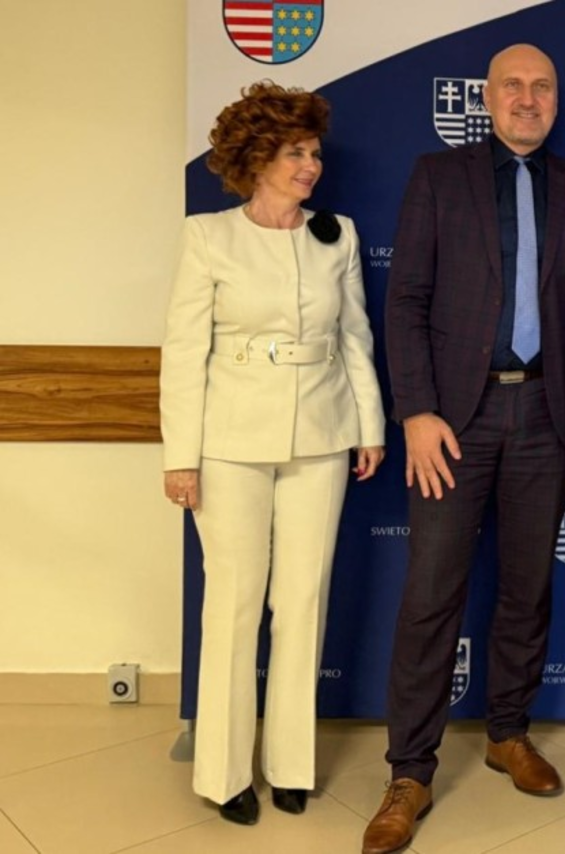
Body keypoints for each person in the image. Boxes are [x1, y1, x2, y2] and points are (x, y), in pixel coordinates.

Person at [363, 44, 565, 854]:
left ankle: (508, 733)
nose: (528, 98)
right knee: (431, 593)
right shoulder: (439, 177)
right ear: (488, 97)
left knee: (527, 588)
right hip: (452, 423)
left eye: (542, 86)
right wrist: (416, 411)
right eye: (513, 86)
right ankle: (410, 772)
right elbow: (405, 301)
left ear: (556, 100)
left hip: (547, 413)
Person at [160, 81, 386, 825]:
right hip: (227, 445)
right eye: (294, 153)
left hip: (322, 437)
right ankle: (225, 773)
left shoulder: (338, 234)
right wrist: (180, 456)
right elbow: (183, 353)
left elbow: (355, 336)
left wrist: (370, 427)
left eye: (314, 152)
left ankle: (290, 764)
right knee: (232, 602)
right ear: (256, 159)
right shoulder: (208, 236)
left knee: (302, 599)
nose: (310, 165)